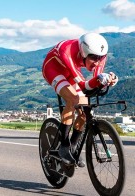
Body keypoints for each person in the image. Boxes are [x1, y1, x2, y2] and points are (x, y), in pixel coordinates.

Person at [42, 33, 118, 165]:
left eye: (100, 58)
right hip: (53, 68)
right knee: (73, 99)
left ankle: (73, 146)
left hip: (71, 72)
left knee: (84, 110)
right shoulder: (67, 50)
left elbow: (97, 77)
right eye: (93, 58)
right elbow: (84, 85)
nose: (97, 62)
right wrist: (99, 80)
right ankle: (64, 147)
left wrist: (108, 80)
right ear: (83, 53)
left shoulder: (99, 56)